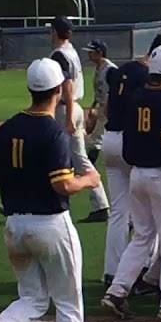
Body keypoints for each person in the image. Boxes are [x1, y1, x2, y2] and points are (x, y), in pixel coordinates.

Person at [0, 58, 101, 322]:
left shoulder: (8, 128)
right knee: (69, 303)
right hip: (51, 225)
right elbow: (62, 185)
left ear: (31, 89)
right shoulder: (53, 133)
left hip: (15, 226)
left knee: (32, 298)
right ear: (58, 90)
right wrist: (89, 180)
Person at [101, 44, 161, 321]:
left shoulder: (138, 95)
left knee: (142, 236)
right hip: (160, 175)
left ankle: (117, 291)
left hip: (137, 174)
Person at [47, 17, 109, 224]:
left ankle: (100, 204)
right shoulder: (71, 51)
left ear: (55, 32)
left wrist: (69, 117)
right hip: (73, 108)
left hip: (67, 109)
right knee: (68, 158)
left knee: (73, 158)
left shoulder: (60, 54)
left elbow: (68, 85)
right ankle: (97, 204)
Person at [83, 39, 117, 165]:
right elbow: (99, 92)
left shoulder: (110, 70)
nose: (89, 55)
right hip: (103, 107)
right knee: (98, 137)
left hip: (111, 108)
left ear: (99, 53)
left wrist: (105, 109)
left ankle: (89, 166)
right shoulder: (99, 68)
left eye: (91, 52)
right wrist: (94, 107)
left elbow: (115, 91)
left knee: (97, 139)